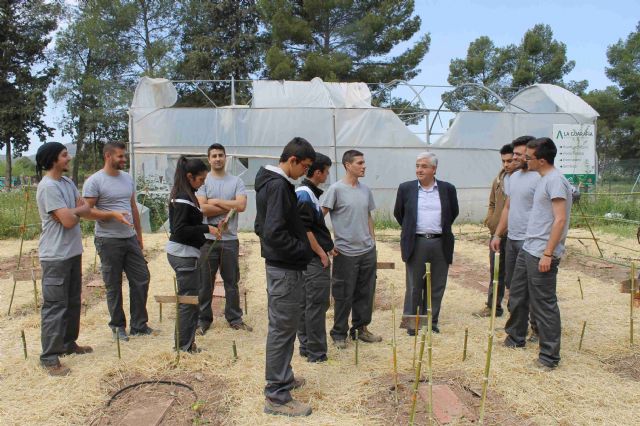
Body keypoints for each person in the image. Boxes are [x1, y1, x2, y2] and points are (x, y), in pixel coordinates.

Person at [254, 137, 315, 417]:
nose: (305, 172)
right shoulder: (278, 186)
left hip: (282, 267)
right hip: (285, 270)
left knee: (286, 326)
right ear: (292, 160)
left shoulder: (270, 183)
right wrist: (301, 250)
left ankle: (284, 378)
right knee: (282, 329)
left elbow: (259, 226)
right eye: (304, 166)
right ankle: (277, 395)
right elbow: (273, 232)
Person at [503, 137, 572, 370]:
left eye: (528, 157)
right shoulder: (542, 179)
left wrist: (548, 253)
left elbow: (560, 219)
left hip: (542, 252)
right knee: (518, 295)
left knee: (544, 304)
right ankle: (515, 339)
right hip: (528, 248)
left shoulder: (555, 181)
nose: (523, 160)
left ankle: (549, 357)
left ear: (541, 160)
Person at [83, 141, 152, 342]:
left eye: (124, 156)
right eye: (120, 156)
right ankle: (117, 326)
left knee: (141, 278)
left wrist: (139, 236)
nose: (124, 159)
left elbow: (132, 207)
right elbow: (86, 212)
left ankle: (139, 325)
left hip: (129, 238)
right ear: (108, 156)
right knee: (113, 284)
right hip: (108, 240)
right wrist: (111, 214)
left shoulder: (127, 179)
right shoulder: (95, 181)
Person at [35, 142, 93, 376]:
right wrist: (74, 212)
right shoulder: (48, 187)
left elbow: (85, 210)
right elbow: (69, 220)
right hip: (55, 255)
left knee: (72, 302)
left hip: (72, 251)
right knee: (55, 306)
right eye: (63, 155)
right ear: (52, 159)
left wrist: (74, 212)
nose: (68, 158)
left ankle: (68, 344)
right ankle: (49, 357)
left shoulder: (67, 183)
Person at [394, 152, 459, 335]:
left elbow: (452, 212)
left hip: (440, 242)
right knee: (414, 285)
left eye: (424, 166)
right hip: (417, 241)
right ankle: (412, 324)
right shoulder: (406, 188)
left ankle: (431, 321)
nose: (419, 170)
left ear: (434, 169)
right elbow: (399, 214)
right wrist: (411, 231)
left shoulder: (447, 189)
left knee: (437, 285)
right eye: (417, 166)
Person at [322, 150, 381, 348]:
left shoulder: (365, 190)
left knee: (366, 292)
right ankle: (339, 333)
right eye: (360, 163)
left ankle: (360, 329)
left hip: (367, 252)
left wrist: (372, 241)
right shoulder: (336, 190)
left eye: (364, 162)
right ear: (348, 165)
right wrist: (327, 244)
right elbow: (318, 217)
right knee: (343, 294)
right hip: (345, 253)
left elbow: (368, 216)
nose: (364, 166)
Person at [166, 156, 220, 353]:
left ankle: (187, 343)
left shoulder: (187, 194)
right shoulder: (182, 197)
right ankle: (183, 346)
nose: (203, 183)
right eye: (201, 179)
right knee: (188, 302)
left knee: (190, 300)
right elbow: (179, 230)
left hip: (187, 253)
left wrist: (209, 228)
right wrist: (207, 228)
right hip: (183, 254)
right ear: (190, 176)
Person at [196, 143, 251, 335]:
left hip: (229, 240)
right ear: (209, 159)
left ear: (225, 157)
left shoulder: (236, 181)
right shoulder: (203, 182)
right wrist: (230, 206)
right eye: (214, 156)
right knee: (205, 282)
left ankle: (234, 318)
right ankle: (203, 319)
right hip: (207, 239)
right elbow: (202, 208)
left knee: (231, 281)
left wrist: (216, 202)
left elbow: (242, 205)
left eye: (221, 155)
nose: (218, 158)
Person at [490, 136, 539, 338]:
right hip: (513, 240)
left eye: (518, 154)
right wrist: (497, 234)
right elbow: (508, 208)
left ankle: (537, 327)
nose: (515, 158)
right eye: (515, 154)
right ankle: (517, 329)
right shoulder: (512, 179)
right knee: (514, 286)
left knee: (535, 287)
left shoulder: (541, 178)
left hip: (532, 242)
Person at [295, 153, 336, 363]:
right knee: (316, 304)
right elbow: (305, 228)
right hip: (313, 260)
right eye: (326, 171)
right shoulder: (304, 195)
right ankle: (316, 352)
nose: (327, 175)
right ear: (318, 172)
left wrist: (328, 246)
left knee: (306, 303)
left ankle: (305, 346)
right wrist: (321, 252)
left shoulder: (307, 193)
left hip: (308, 257)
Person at [475, 144, 515, 317]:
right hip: (497, 235)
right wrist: (491, 221)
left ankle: (516, 312)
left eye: (510, 160)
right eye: (503, 161)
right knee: (496, 271)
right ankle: (493, 307)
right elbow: (492, 203)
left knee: (513, 276)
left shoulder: (524, 180)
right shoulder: (499, 180)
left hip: (515, 235)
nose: (506, 165)